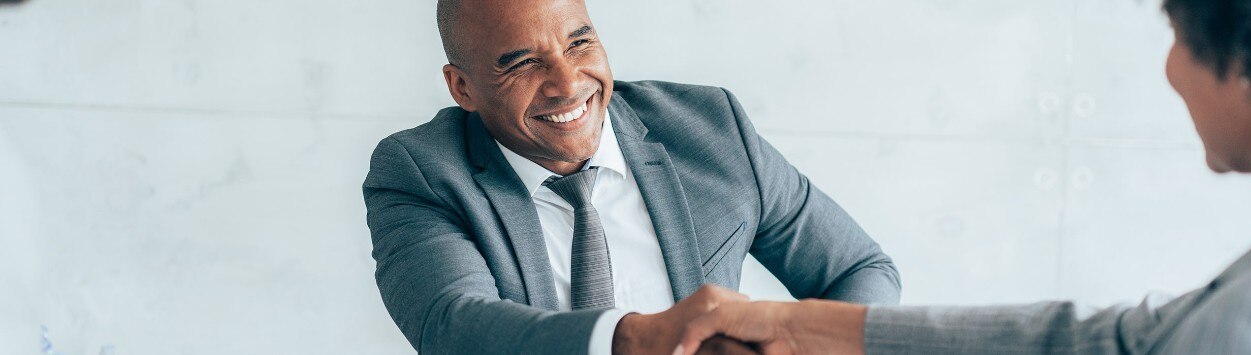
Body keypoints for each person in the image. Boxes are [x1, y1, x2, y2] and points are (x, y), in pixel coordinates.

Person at [676, 0, 1251, 354]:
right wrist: (789, 324)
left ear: (1246, 61)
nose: (1171, 70)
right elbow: (1106, 340)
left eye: (1176, 37)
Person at [360, 0, 902, 353]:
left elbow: (857, 267)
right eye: (522, 63)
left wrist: (796, 343)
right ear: (462, 88)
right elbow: (453, 326)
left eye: (579, 43)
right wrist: (634, 338)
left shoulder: (711, 128)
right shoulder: (422, 172)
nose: (568, 84)